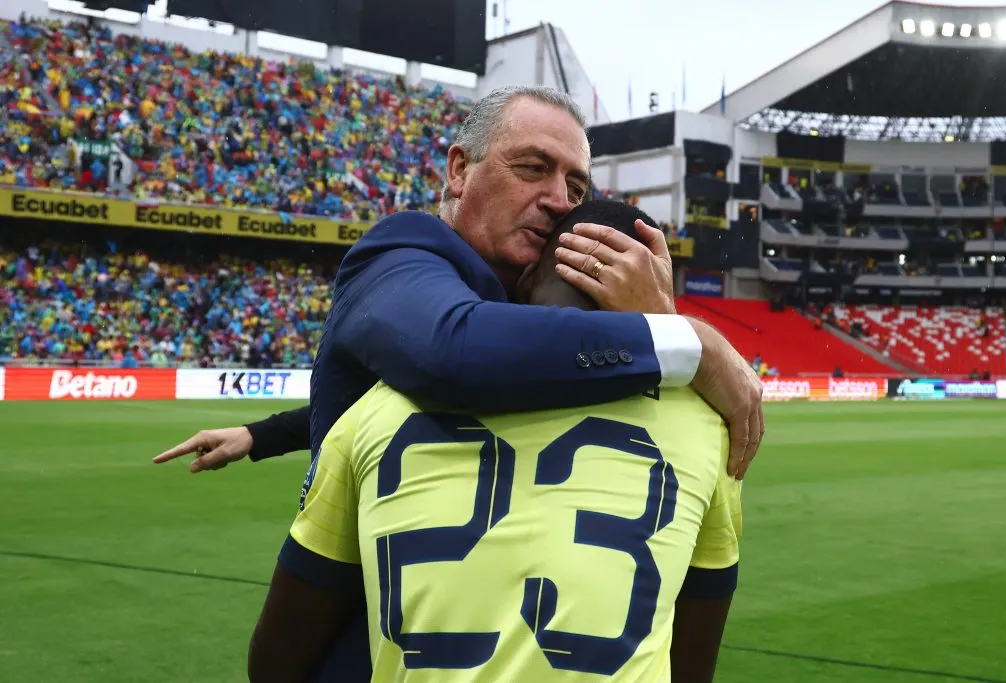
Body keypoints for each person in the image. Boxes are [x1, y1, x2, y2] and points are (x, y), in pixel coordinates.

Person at [154, 86, 764, 482]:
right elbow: (450, 352)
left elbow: (385, 395)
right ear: (458, 170)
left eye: (576, 187)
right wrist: (686, 340)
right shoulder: (403, 250)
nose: (559, 200)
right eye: (532, 167)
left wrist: (260, 434)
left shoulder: (524, 301)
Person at [248, 200, 742, 683]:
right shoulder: (710, 429)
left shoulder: (375, 411)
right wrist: (682, 334)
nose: (555, 195)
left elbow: (275, 662)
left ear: (525, 280)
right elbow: (692, 661)